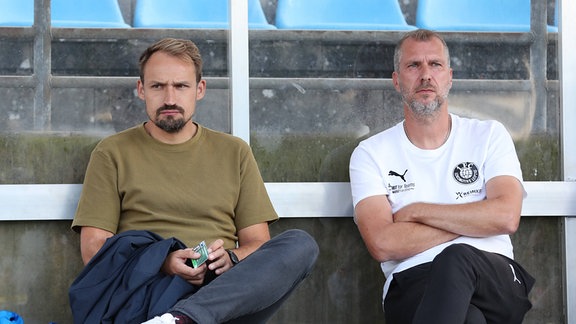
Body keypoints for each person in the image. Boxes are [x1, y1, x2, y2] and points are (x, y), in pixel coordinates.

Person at [69, 38, 319, 324]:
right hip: (149, 293)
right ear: (141, 90)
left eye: (181, 86)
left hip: (222, 293)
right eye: (157, 86)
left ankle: (181, 320)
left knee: (301, 244)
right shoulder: (112, 152)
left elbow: (258, 243)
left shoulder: (233, 151)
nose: (170, 99)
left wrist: (232, 258)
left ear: (199, 89)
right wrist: (162, 262)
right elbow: (93, 250)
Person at [349, 29, 535, 324]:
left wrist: (418, 213)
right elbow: (383, 243)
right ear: (397, 80)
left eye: (434, 65)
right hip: (413, 282)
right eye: (413, 66)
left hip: (494, 277)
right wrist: (473, 220)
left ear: (449, 76)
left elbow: (506, 217)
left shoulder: (489, 135)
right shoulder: (370, 153)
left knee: (456, 258)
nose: (426, 75)